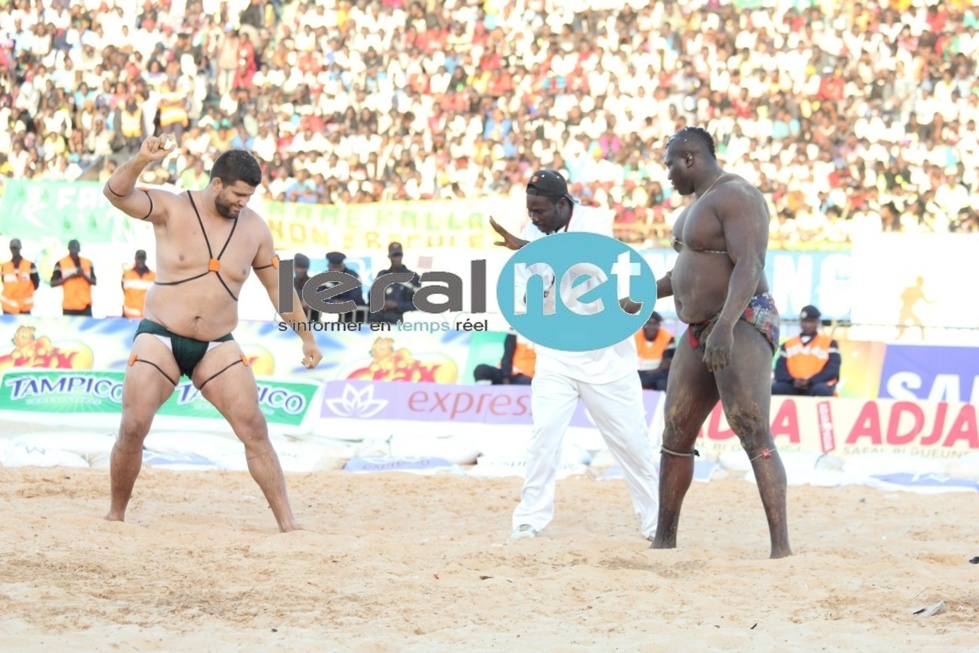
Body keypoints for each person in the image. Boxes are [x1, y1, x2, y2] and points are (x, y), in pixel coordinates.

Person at [100, 136, 322, 532]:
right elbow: (116, 193)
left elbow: (278, 286)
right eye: (238, 194)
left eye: (250, 197)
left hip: (217, 344)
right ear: (217, 183)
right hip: (161, 336)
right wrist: (140, 161)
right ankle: (116, 513)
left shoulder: (255, 229)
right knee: (133, 425)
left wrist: (306, 336)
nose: (243, 203)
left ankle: (288, 522)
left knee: (254, 427)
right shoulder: (172, 206)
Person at [489, 168, 659, 541]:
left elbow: (584, 260)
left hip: (607, 355)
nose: (534, 219)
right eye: (530, 211)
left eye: (541, 211)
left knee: (633, 445)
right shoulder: (532, 234)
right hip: (557, 355)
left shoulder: (594, 221)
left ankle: (655, 522)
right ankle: (529, 520)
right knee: (543, 439)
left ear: (563, 204)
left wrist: (527, 248)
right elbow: (521, 292)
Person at [649, 126, 791, 559]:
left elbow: (750, 264)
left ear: (689, 158)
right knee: (675, 432)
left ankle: (780, 548)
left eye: (670, 164)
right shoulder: (697, 206)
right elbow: (683, 274)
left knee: (751, 427)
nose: (668, 174)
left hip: (741, 319)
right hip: (698, 326)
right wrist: (641, 296)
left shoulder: (737, 195)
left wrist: (726, 326)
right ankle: (664, 539)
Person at [772, 305, 841, 396]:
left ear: (817, 322)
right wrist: (793, 381)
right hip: (793, 385)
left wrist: (810, 381)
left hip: (816, 384)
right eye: (805, 321)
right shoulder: (788, 344)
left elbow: (832, 369)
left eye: (811, 321)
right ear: (800, 322)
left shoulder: (829, 342)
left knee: (821, 389)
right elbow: (780, 370)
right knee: (775, 388)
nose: (808, 325)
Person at [369, 242, 419, 324]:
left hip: (399, 322)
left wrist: (397, 304)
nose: (397, 259)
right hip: (376, 320)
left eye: (399, 255)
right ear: (389, 257)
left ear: (402, 255)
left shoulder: (413, 277)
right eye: (394, 256)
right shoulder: (382, 274)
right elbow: (371, 296)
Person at [50, 239, 97, 316]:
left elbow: (94, 282)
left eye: (76, 250)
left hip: (85, 306)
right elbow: (53, 283)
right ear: (68, 249)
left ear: (79, 249)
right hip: (69, 306)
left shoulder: (88, 262)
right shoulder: (60, 263)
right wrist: (71, 276)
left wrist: (83, 275)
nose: (74, 252)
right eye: (72, 250)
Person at [319, 251, 366, 321]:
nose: (336, 270)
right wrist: (332, 302)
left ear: (343, 265)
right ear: (328, 266)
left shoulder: (353, 276)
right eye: (333, 267)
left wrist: (343, 302)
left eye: (338, 267)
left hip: (354, 317)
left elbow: (356, 296)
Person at [635, 312, 675, 391]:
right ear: (644, 325)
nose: (652, 327)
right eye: (649, 323)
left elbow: (668, 361)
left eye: (655, 324)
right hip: (639, 373)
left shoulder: (668, 337)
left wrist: (652, 372)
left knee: (662, 383)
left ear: (659, 325)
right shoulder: (635, 337)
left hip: (658, 372)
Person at [1, 239, 40, 315]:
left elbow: (36, 284)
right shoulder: (5, 266)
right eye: (12, 248)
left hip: (24, 308)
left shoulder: (30, 265)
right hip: (8, 308)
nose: (14, 250)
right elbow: (4, 283)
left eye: (16, 248)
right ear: (10, 249)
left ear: (20, 248)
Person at [121, 250, 156, 318]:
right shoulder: (127, 274)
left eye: (142, 258)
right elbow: (122, 289)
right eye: (139, 258)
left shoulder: (153, 275)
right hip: (128, 314)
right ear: (135, 259)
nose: (141, 260)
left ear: (145, 259)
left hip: (145, 315)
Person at [293, 253, 318, 322]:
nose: (300, 270)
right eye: (298, 267)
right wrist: (300, 304)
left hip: (312, 321)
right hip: (293, 322)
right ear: (294, 267)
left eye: (303, 267)